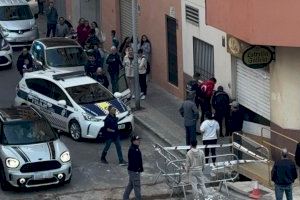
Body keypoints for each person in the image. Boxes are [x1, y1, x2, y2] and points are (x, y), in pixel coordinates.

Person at [123, 135, 143, 200]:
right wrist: (137, 170)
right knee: (137, 187)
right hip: (134, 171)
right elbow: (135, 162)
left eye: (139, 140)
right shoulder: (133, 150)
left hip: (132, 171)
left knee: (131, 185)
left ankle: (125, 198)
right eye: (137, 140)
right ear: (133, 141)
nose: (139, 141)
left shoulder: (135, 148)